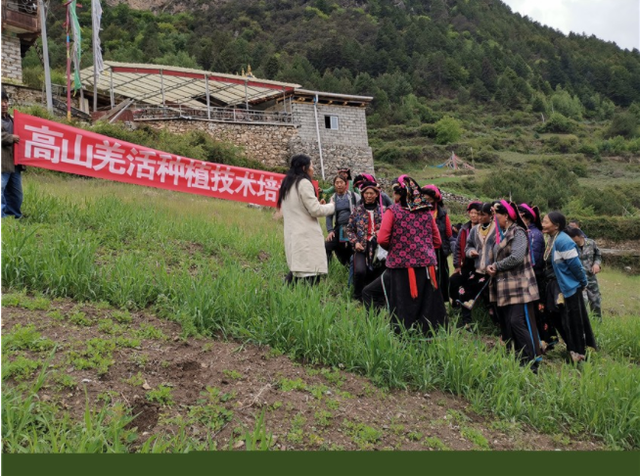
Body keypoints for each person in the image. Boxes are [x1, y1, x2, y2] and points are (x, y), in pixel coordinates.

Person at [362, 175, 447, 335]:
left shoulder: (393, 211)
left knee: (381, 296)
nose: (393, 197)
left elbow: (382, 239)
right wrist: (422, 249)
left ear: (400, 194)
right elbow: (437, 242)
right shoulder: (427, 212)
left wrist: (397, 248)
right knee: (425, 304)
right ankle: (427, 337)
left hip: (400, 266)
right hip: (426, 268)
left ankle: (385, 333)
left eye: (395, 193)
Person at [487, 201, 542, 372]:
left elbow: (517, 257)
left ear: (506, 216)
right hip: (507, 287)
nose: (494, 218)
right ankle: (520, 356)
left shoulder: (518, 233)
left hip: (521, 286)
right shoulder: (504, 233)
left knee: (517, 321)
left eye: (497, 215)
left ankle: (532, 361)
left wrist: (496, 266)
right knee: (510, 322)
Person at [541, 211, 597, 363]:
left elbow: (576, 266)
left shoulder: (563, 241)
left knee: (572, 320)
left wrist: (583, 282)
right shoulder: (552, 239)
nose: (543, 224)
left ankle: (579, 354)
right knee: (558, 318)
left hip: (569, 288)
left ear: (556, 225)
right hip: (556, 286)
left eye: (546, 221)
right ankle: (570, 347)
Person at [278, 154, 335, 285]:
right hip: (306, 237)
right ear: (305, 167)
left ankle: (285, 298)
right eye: (312, 165)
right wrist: (332, 206)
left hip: (294, 235)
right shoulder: (303, 183)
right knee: (311, 275)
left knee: (298, 271)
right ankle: (305, 303)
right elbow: (315, 210)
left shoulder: (288, 184)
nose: (313, 169)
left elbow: (302, 207)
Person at [518, 203, 556, 348]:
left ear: (523, 216)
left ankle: (544, 340)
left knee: (537, 310)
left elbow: (532, 261)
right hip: (531, 276)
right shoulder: (528, 232)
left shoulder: (534, 235)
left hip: (534, 277)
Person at [345, 176, 386, 301]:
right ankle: (358, 297)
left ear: (376, 194)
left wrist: (381, 232)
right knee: (360, 271)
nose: (369, 196)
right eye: (366, 193)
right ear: (362, 195)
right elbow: (349, 230)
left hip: (378, 248)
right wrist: (356, 242)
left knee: (378, 272)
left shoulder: (383, 211)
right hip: (362, 246)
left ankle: (378, 297)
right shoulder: (357, 211)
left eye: (371, 193)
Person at [449, 201, 482, 327]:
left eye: (476, 213)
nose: (473, 216)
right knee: (453, 281)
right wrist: (457, 265)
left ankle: (466, 320)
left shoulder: (484, 228)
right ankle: (456, 303)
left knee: (466, 288)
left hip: (479, 265)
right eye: (471, 213)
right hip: (466, 264)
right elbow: (457, 248)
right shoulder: (464, 229)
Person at [422, 184, 455, 303]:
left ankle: (440, 301)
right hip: (423, 250)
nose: (426, 198)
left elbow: (448, 232)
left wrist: (446, 248)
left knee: (440, 276)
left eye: (429, 196)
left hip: (439, 251)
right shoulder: (419, 212)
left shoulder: (442, 214)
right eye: (424, 196)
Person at [565, 227, 603, 320]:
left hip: (591, 277)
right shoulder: (571, 246)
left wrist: (597, 264)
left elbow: (598, 254)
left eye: (574, 238)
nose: (573, 241)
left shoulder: (591, 243)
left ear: (580, 236)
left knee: (596, 302)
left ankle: (597, 323)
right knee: (583, 301)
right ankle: (583, 324)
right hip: (578, 279)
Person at [325, 174, 360, 266]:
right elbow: (328, 216)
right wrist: (330, 230)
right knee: (328, 245)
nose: (339, 185)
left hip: (352, 228)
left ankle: (350, 266)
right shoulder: (332, 199)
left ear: (346, 184)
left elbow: (361, 212)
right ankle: (328, 268)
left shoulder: (354, 196)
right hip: (339, 227)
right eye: (337, 183)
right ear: (334, 185)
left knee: (350, 248)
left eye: (341, 182)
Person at [2, 90, 23, 219]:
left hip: (15, 162)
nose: (3, 104)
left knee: (16, 192)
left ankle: (14, 215)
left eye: (5, 101)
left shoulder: (14, 120)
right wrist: (10, 137)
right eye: (1, 101)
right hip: (2, 162)